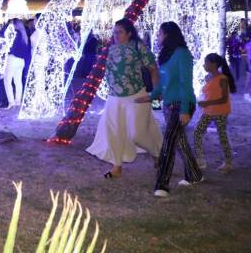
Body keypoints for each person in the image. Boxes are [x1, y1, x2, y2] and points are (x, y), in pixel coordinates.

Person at [87, 18, 162, 179]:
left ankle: (157, 153)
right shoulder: (111, 49)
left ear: (129, 33)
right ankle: (117, 166)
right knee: (114, 132)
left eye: (119, 32)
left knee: (137, 134)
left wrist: (156, 91)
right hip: (114, 97)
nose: (115, 35)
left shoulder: (138, 47)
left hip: (136, 96)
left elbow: (153, 69)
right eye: (114, 32)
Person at [138, 21, 203, 198]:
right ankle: (194, 174)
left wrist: (184, 110)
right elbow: (164, 83)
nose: (157, 37)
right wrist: (151, 96)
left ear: (168, 35)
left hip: (181, 104)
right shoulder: (166, 55)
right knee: (180, 141)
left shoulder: (182, 54)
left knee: (168, 144)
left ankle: (162, 184)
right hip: (168, 105)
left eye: (159, 34)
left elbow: (185, 83)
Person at [193, 53, 236, 174]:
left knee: (222, 136)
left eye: (206, 63)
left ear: (213, 64)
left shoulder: (222, 79)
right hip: (209, 111)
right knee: (197, 132)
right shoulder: (209, 77)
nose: (204, 65)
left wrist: (207, 103)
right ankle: (200, 159)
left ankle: (228, 163)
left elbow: (223, 99)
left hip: (220, 111)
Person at [3, 18, 29, 109]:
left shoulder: (14, 34)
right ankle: (18, 101)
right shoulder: (24, 35)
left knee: (7, 81)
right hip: (21, 61)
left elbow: (4, 40)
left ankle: (11, 102)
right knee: (18, 81)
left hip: (12, 59)